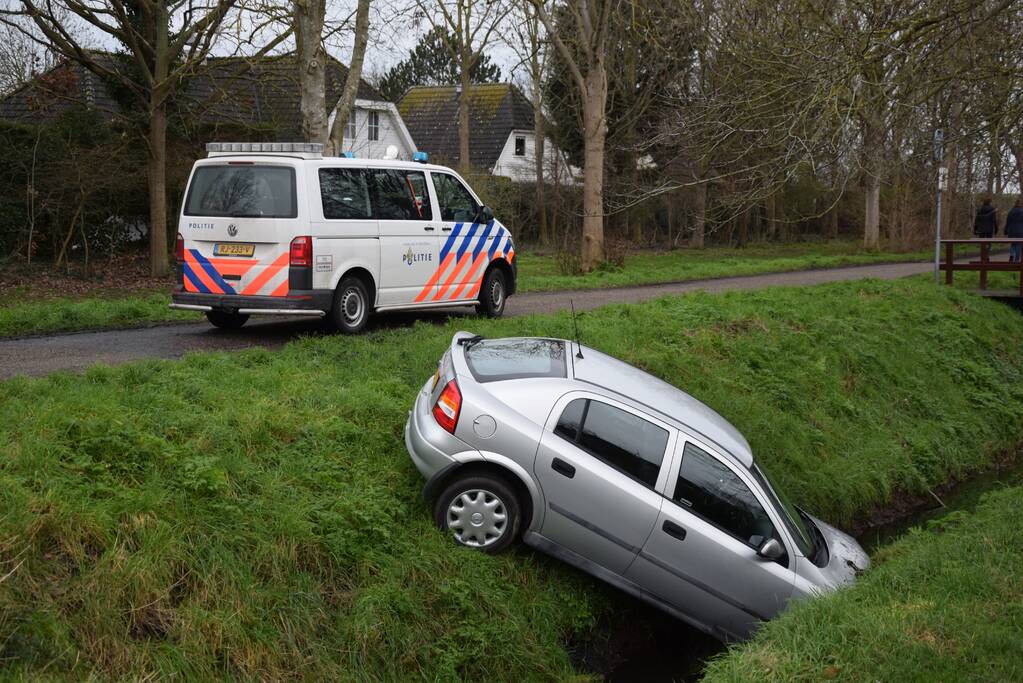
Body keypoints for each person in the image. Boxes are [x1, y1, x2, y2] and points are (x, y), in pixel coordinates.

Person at [1006, 198, 1023, 263]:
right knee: (1018, 244)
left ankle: (1012, 255)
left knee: (1013, 243)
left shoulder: (1011, 211)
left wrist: (1006, 230)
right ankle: (1016, 259)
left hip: (1011, 230)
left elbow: (1008, 222)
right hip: (1020, 230)